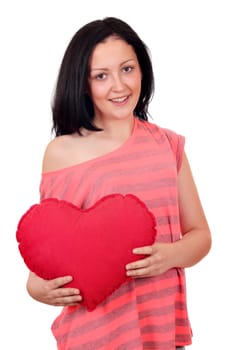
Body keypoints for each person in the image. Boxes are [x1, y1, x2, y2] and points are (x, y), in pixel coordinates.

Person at [26, 16, 211, 350]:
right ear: (83, 84)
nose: (119, 86)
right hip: (95, 335)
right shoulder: (63, 153)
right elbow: (51, 243)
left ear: (143, 70)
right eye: (101, 76)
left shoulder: (168, 145)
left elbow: (201, 235)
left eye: (127, 69)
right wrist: (35, 287)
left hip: (163, 329)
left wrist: (168, 255)